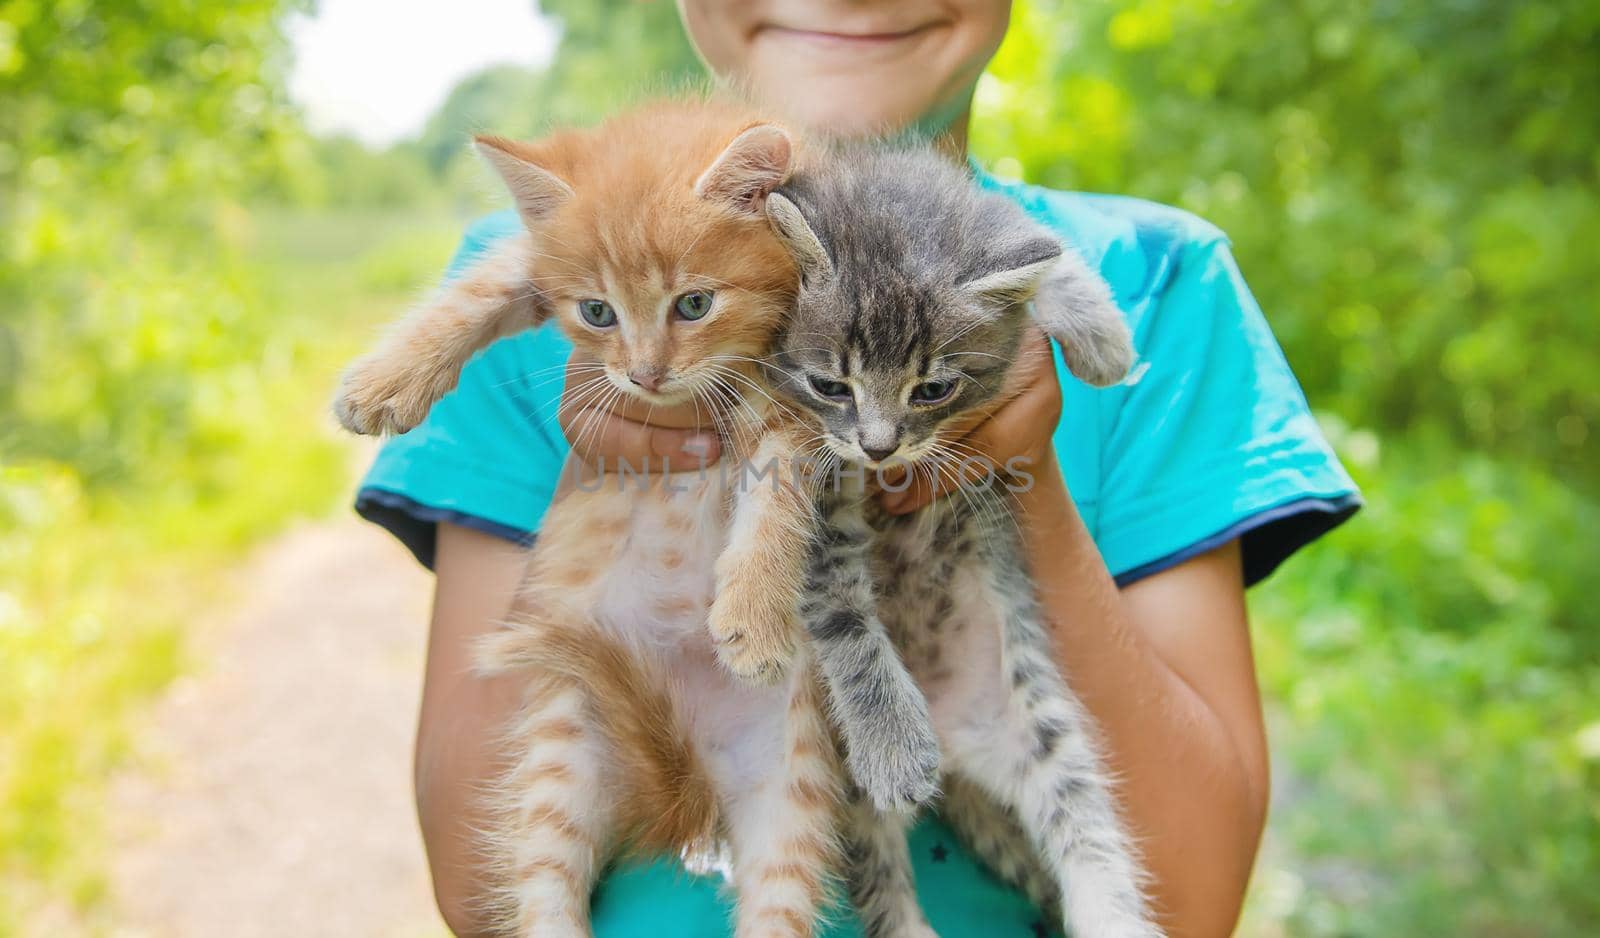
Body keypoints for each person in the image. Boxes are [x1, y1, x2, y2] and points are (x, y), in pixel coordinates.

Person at [355, 2, 1360, 935]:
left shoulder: (1158, 282)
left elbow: (1191, 900)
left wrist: (1015, 462)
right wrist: (617, 439)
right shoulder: (551, 288)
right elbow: (474, 887)